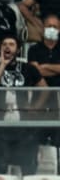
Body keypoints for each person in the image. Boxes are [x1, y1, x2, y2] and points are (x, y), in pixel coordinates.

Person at [0, 35, 49, 175]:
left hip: (24, 126)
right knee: (0, 166)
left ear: (18, 49)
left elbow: (45, 89)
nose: (7, 47)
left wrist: (36, 107)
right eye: (4, 44)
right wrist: (3, 64)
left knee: (28, 165)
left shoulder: (28, 68)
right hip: (1, 125)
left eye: (11, 44)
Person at [29, 14, 60, 146]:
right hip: (39, 101)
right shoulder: (34, 49)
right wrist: (56, 69)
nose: (52, 29)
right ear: (43, 28)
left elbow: (40, 69)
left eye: (55, 26)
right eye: (49, 26)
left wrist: (45, 67)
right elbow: (35, 72)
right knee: (36, 141)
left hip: (59, 102)